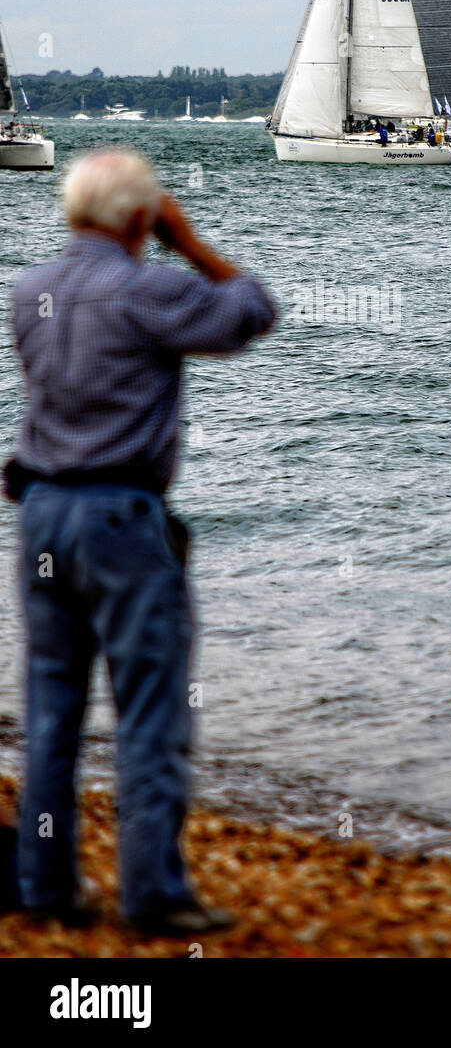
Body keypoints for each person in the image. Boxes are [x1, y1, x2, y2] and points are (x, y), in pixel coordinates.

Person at [6, 148, 276, 934]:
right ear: (139, 215)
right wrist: (187, 244)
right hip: (121, 516)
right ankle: (151, 892)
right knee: (149, 709)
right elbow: (252, 311)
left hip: (43, 511)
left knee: (51, 711)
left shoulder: (32, 291)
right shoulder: (150, 287)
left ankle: (44, 885)